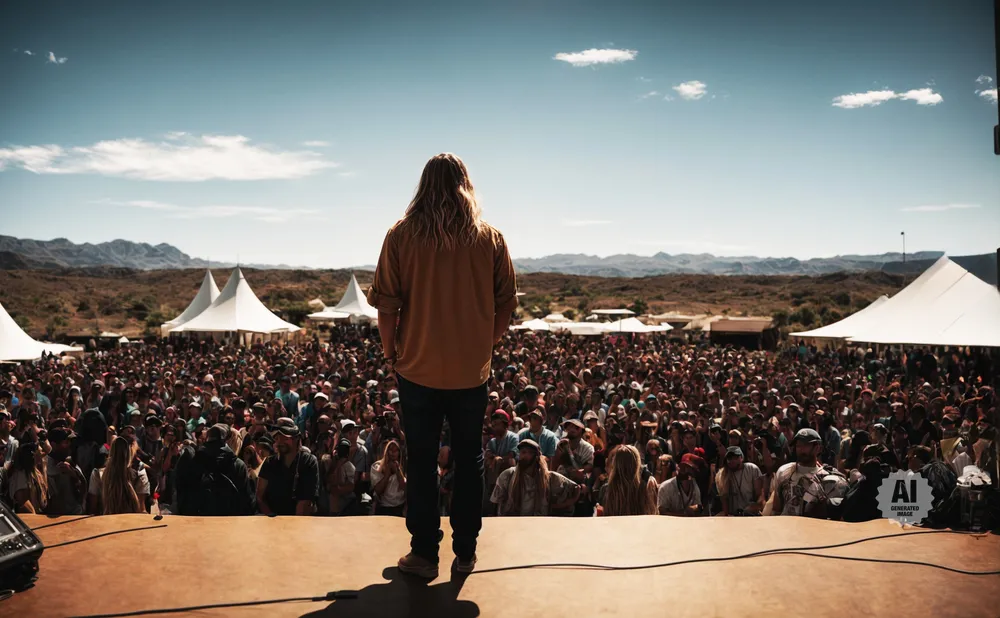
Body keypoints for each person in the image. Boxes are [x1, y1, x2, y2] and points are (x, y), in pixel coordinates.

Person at [368, 153, 518, 578]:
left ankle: (424, 554)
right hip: (471, 372)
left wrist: (389, 353)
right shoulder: (489, 239)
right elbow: (506, 303)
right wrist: (487, 342)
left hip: (417, 368)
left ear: (423, 185)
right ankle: (466, 551)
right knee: (469, 459)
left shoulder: (400, 236)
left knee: (422, 459)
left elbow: (387, 307)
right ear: (465, 184)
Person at [175, 423, 254, 516]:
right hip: (228, 522)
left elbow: (180, 492)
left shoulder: (193, 460)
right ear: (227, 439)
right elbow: (247, 501)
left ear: (208, 437)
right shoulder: (238, 464)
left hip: (197, 521)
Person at [767, 428, 847, 518]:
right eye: (798, 445)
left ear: (818, 448)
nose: (801, 449)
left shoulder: (829, 480)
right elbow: (776, 509)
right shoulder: (783, 472)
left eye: (806, 445)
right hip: (786, 527)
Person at [490, 439, 579, 516]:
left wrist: (556, 507)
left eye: (528, 453)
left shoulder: (548, 478)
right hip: (514, 523)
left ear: (536, 457)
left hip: (538, 524)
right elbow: (495, 502)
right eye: (522, 452)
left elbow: (575, 488)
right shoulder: (508, 475)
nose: (523, 456)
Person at [257, 420, 319, 516]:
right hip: (272, 520)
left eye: (285, 438)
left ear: (296, 439)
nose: (280, 441)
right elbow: (260, 496)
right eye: (278, 438)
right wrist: (270, 516)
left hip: (299, 522)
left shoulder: (308, 461)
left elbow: (305, 501)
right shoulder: (270, 462)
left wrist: (292, 525)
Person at [89, 436, 149, 514]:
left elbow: (93, 508)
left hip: (105, 522)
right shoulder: (139, 475)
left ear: (111, 451)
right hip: (131, 522)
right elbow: (141, 509)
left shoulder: (97, 474)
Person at [596, 445, 657, 516]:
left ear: (615, 464)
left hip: (613, 526)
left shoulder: (607, 489)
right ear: (637, 464)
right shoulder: (645, 489)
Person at [44, 427, 87, 515]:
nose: (69, 445)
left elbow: (84, 489)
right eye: (66, 442)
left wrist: (74, 475)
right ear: (54, 445)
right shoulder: (44, 465)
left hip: (76, 514)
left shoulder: (70, 461)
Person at [716, 446, 764, 516]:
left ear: (741, 458)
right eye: (729, 458)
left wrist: (754, 507)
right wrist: (726, 516)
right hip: (732, 515)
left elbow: (760, 495)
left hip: (751, 513)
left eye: (735, 458)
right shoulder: (723, 475)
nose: (731, 461)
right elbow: (724, 499)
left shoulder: (752, 469)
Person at [7, 441, 48, 513]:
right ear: (33, 455)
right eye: (40, 451)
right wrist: (36, 519)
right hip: (28, 519)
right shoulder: (20, 476)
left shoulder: (35, 472)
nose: (43, 454)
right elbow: (23, 502)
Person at [370, 439, 406, 516]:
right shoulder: (376, 466)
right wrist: (387, 473)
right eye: (391, 450)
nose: (393, 453)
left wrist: (397, 471)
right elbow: (378, 490)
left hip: (400, 506)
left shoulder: (404, 467)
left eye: (396, 450)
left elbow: (404, 487)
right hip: (383, 507)